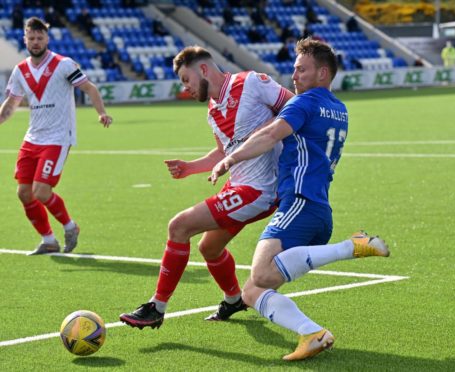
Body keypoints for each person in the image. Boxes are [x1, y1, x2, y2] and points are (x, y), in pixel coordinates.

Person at [210, 38, 390, 361]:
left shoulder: (304, 103)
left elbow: (269, 135)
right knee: (252, 291)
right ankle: (311, 332)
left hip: (298, 203)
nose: (294, 76)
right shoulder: (339, 109)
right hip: (318, 209)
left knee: (261, 275)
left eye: (301, 69)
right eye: (294, 69)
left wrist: (230, 159)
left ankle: (351, 246)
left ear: (323, 72)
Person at [119, 46, 294, 328]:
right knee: (210, 248)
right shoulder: (213, 111)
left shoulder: (250, 82)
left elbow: (294, 107)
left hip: (261, 189)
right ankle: (234, 299)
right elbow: (221, 152)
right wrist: (189, 167)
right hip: (238, 186)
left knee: (179, 226)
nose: (185, 87)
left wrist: (265, 133)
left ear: (203, 69)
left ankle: (156, 307)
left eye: (186, 79)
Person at [0, 17, 112, 255]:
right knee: (23, 193)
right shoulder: (20, 70)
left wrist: (101, 112)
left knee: (41, 191)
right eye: (32, 38)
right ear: (25, 39)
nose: (36, 42)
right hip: (33, 138)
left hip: (58, 137)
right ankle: (48, 239)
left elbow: (89, 88)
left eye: (40, 38)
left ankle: (70, 227)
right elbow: (11, 104)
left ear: (47, 39)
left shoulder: (64, 64)